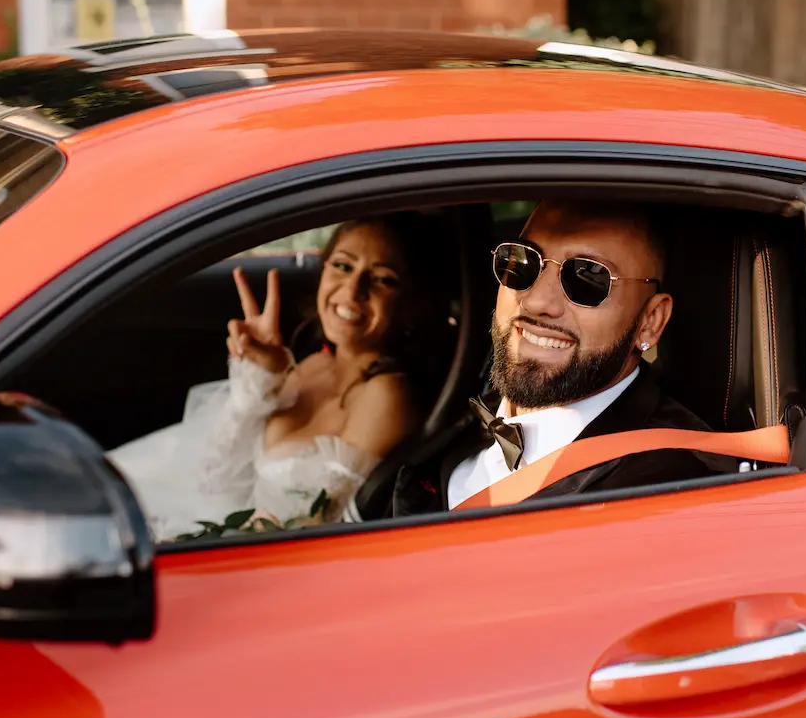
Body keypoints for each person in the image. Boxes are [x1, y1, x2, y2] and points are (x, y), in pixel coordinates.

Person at [379, 200, 724, 518]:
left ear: (650, 321)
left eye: (587, 276)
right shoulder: (461, 423)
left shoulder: (670, 493)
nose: (536, 301)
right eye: (523, 261)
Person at [109, 214, 443, 540]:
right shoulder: (314, 363)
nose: (353, 289)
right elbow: (217, 474)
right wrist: (259, 377)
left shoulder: (389, 394)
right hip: (212, 515)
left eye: (383, 279)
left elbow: (318, 525)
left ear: (411, 304)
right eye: (342, 265)